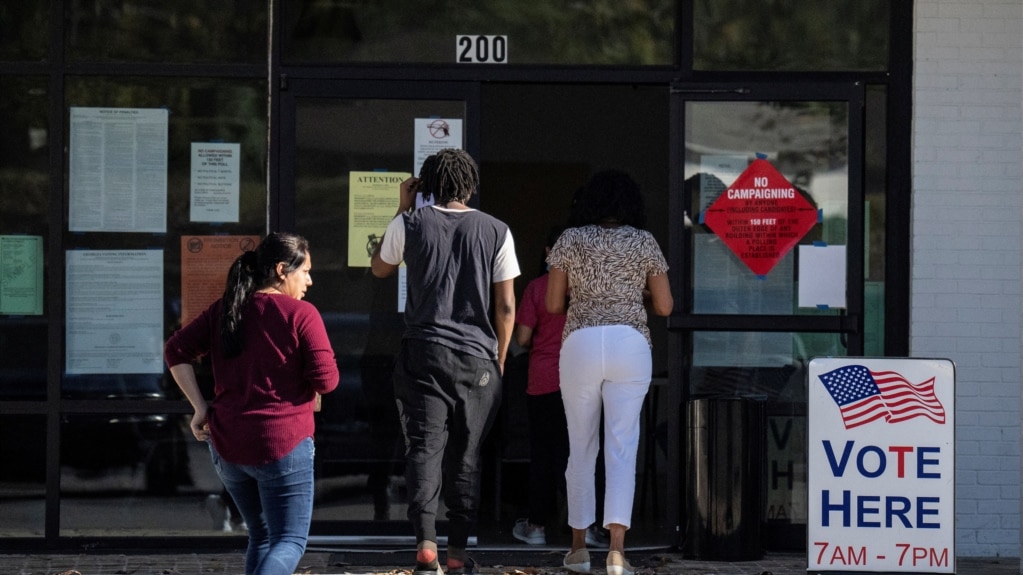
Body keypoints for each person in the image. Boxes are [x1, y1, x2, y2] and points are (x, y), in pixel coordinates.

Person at [371, 148, 520, 575]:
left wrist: (402, 208)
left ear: (427, 185)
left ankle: (425, 545)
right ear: (470, 184)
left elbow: (380, 269)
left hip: (423, 351)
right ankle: (456, 553)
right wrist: (501, 359)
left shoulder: (411, 222)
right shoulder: (496, 230)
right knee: (467, 455)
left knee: (424, 447)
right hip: (477, 359)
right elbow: (506, 306)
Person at [165, 232, 339, 575]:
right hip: (282, 444)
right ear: (280, 270)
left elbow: (175, 351)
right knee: (290, 540)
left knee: (260, 537)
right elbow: (328, 380)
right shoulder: (301, 314)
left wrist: (199, 407)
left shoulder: (225, 310)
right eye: (304, 271)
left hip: (228, 445)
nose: (310, 280)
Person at [546, 170, 673, 575]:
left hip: (581, 340)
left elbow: (552, 305)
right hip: (630, 343)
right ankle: (617, 552)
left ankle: (579, 548)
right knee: (622, 446)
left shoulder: (569, 239)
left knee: (580, 446)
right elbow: (665, 307)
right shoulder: (644, 241)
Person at [511, 225, 569, 546]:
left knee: (543, 456)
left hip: (544, 380)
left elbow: (521, 338)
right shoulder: (586, 287)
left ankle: (536, 527)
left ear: (548, 252)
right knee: (579, 456)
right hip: (582, 380)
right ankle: (585, 527)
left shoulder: (537, 288)